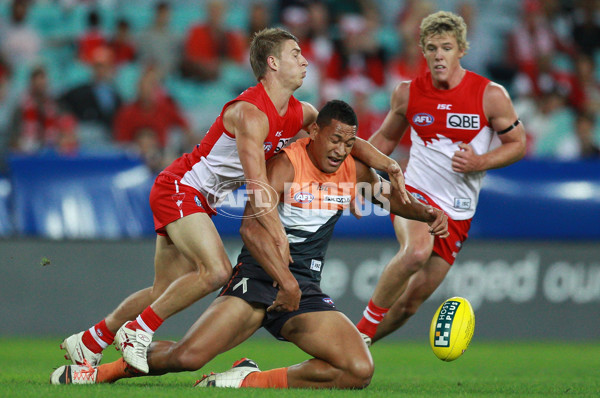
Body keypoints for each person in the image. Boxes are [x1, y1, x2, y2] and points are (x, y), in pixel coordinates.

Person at [57, 28, 408, 376]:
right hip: (180, 188)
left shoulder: (300, 112)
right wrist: (278, 236)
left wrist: (386, 163)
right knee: (217, 271)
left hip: (197, 198)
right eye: (295, 54)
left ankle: (90, 340)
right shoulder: (250, 113)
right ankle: (138, 330)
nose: (305, 61)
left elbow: (346, 138)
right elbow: (257, 188)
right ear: (272, 63)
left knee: (164, 291)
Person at [51, 99, 448, 389]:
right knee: (187, 357)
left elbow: (394, 199)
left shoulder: (353, 168)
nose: (340, 150)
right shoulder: (283, 165)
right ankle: (97, 373)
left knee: (359, 370)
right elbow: (252, 231)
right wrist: (284, 281)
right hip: (259, 279)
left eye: (349, 143)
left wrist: (428, 213)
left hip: (303, 289)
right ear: (314, 132)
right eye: (334, 140)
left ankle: (248, 379)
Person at [356, 11, 527, 346]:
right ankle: (357, 336)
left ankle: (358, 347)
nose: (438, 55)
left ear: (461, 50)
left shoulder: (490, 95)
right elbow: (384, 142)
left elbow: (517, 144)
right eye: (431, 48)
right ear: (423, 51)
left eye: (446, 47)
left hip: (459, 212)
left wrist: (481, 160)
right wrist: (350, 168)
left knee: (409, 305)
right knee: (417, 251)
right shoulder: (407, 93)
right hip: (416, 191)